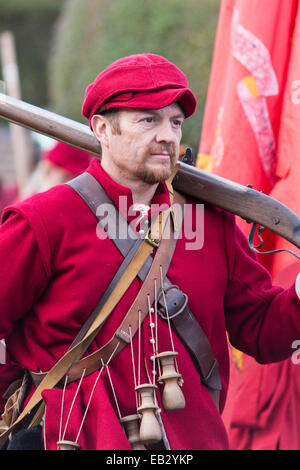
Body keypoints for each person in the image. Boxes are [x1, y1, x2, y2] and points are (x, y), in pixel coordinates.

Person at [0, 53, 300, 451]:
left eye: (175, 122)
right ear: (102, 129)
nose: (168, 135)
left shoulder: (212, 223)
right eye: (149, 120)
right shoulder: (41, 220)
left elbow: (262, 331)